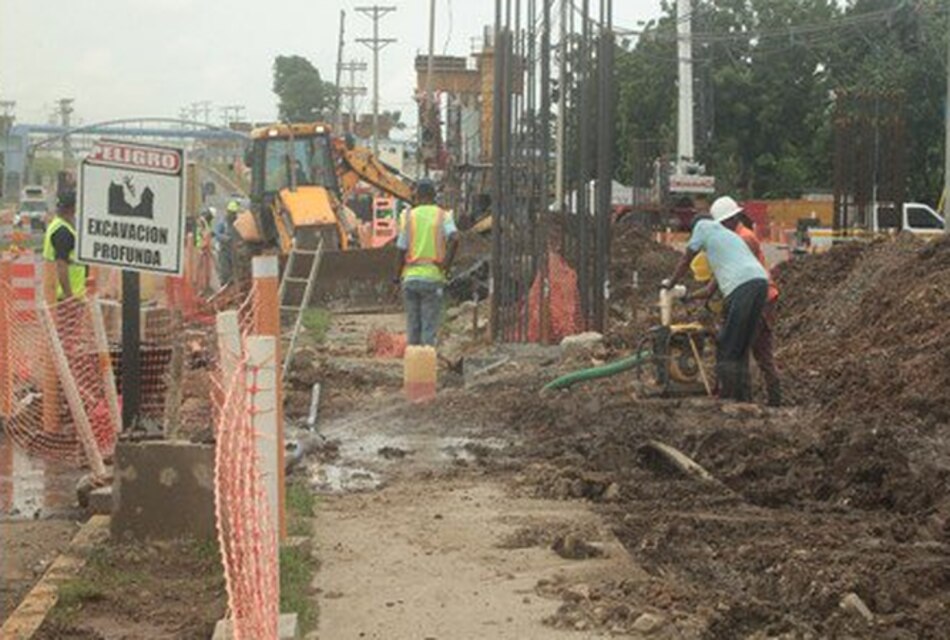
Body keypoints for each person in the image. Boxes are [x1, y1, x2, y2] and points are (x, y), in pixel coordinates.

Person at [664, 208, 768, 402]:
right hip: (760, 283)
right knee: (741, 347)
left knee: (726, 346)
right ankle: (744, 399)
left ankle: (727, 398)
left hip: (742, 288)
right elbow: (710, 290)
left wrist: (670, 284)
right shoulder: (728, 241)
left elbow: (687, 258)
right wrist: (689, 297)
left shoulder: (703, 226)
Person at [711, 196, 782, 406]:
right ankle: (769, 399)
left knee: (741, 346)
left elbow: (738, 271)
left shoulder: (743, 238)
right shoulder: (738, 237)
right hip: (762, 297)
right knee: (759, 350)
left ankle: (745, 398)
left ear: (730, 220)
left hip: (759, 299)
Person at [393, 179, 460, 346]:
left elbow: (401, 249)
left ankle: (414, 368)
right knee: (429, 329)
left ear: (417, 195)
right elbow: (455, 238)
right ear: (434, 195)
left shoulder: (408, 216)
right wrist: (446, 264)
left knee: (413, 328)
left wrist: (396, 278)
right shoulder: (443, 215)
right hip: (433, 279)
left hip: (411, 279)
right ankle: (426, 367)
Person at [43, 190, 86, 301]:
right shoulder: (63, 232)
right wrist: (69, 296)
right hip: (66, 297)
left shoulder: (57, 225)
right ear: (72, 208)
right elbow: (61, 265)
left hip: (60, 294)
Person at [214, 200, 240, 286]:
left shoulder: (237, 222)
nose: (233, 215)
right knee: (225, 271)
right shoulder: (223, 223)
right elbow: (217, 234)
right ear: (228, 212)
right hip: (224, 250)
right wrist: (226, 238)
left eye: (234, 213)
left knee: (235, 272)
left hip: (234, 251)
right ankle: (224, 285)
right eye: (231, 213)